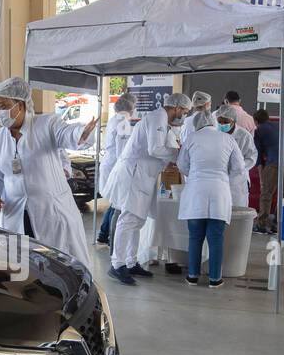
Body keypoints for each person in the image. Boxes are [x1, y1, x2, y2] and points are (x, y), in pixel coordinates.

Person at [0, 76, 96, 267]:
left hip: (53, 214)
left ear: (20, 105)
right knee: (24, 269)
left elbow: (66, 133)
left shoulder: (46, 125)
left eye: (3, 105)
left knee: (62, 268)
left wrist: (81, 134)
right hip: (15, 214)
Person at [104, 93, 191, 285]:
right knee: (129, 219)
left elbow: (155, 152)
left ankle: (131, 261)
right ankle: (117, 265)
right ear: (176, 107)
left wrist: (168, 160)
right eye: (184, 111)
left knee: (137, 221)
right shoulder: (157, 117)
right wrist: (179, 154)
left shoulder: (161, 120)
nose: (183, 115)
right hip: (134, 175)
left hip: (143, 176)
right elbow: (154, 149)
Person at [178, 111, 245, 287]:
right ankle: (215, 279)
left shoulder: (191, 138)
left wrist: (194, 174)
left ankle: (192, 276)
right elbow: (239, 168)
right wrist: (224, 180)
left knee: (195, 236)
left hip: (196, 189)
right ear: (214, 122)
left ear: (197, 124)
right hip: (219, 190)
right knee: (216, 237)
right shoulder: (227, 139)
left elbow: (181, 164)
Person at [96, 93, 140, 245]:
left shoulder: (115, 119)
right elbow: (123, 151)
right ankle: (109, 237)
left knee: (115, 203)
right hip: (116, 165)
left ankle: (103, 234)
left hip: (110, 163)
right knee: (117, 204)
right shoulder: (123, 121)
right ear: (130, 107)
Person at [253, 109, 284, 233]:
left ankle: (261, 225)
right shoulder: (281, 125)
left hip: (275, 162)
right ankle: (276, 225)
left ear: (256, 121)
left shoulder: (259, 131)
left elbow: (258, 157)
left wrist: (262, 179)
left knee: (266, 193)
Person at [215, 103, 256, 209]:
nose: (222, 124)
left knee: (236, 210)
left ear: (233, 121)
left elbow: (251, 158)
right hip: (218, 178)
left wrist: (238, 167)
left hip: (237, 180)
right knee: (219, 209)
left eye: (226, 122)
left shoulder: (244, 136)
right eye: (219, 121)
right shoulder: (215, 133)